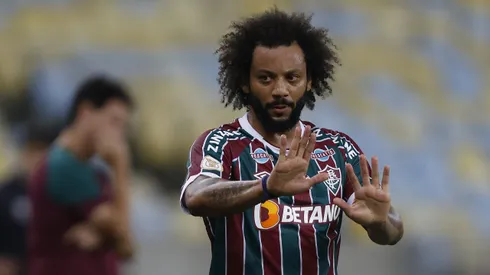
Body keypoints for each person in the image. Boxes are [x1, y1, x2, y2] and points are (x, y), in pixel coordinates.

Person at [180, 8, 404, 275]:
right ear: (244, 82)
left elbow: (391, 232)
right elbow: (195, 197)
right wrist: (265, 187)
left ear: (309, 81)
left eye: (292, 78)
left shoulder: (338, 149)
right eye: (266, 78)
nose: (280, 90)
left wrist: (380, 223)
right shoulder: (221, 143)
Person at [27, 76, 135, 275]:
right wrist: (121, 165)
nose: (119, 135)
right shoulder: (64, 166)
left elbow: (126, 248)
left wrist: (102, 235)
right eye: (114, 122)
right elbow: (122, 234)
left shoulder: (96, 173)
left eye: (122, 126)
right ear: (85, 113)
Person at [0, 123, 59, 275]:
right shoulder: (6, 193)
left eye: (41, 150)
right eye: (31, 150)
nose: (36, 157)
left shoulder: (59, 195)